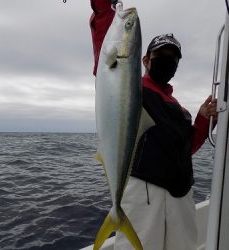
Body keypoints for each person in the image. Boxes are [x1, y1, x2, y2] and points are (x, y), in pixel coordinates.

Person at [89, 1, 218, 249]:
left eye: (174, 58)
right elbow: (108, 50)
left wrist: (203, 118)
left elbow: (186, 148)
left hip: (181, 196)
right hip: (144, 194)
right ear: (146, 60)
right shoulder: (132, 88)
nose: (168, 61)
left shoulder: (179, 108)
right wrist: (106, 7)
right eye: (162, 56)